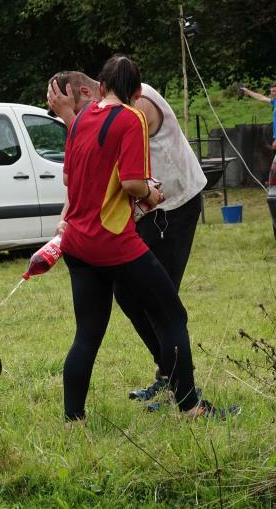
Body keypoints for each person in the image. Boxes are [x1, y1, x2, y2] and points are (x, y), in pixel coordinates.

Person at [58, 54, 234, 421]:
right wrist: (151, 194)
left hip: (77, 242)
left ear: (100, 88)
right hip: (112, 241)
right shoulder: (131, 117)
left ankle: (74, 420)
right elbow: (132, 182)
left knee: (87, 334)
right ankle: (190, 405)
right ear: (136, 92)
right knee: (172, 315)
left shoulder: (79, 121)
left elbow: (70, 180)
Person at [239, 82, 276, 150]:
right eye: (271, 91)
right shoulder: (275, 102)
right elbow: (262, 98)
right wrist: (247, 91)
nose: (272, 93)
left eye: (274, 91)